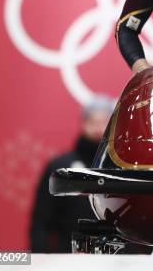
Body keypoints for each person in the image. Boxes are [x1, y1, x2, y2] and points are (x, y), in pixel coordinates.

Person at [29, 95, 115, 253]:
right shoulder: (60, 167)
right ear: (83, 123)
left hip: (119, 257)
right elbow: (41, 219)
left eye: (104, 122)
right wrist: (39, 257)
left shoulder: (123, 169)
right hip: (69, 255)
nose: (98, 129)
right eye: (93, 122)